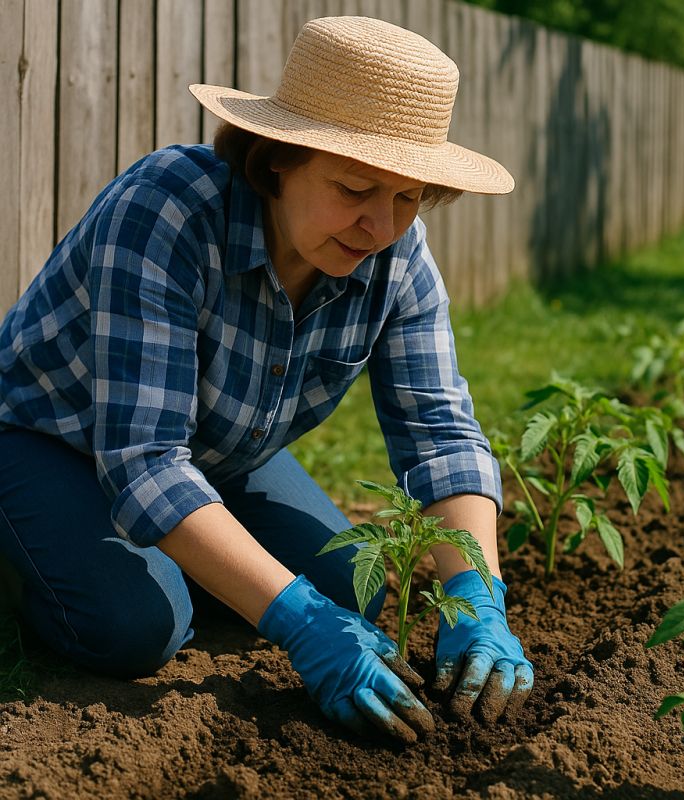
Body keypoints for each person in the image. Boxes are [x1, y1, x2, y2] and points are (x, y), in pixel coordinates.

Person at [0, 15, 533, 742]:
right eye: (355, 187)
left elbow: (439, 432)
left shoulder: (395, 254)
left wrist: (476, 601)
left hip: (213, 454)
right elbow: (144, 461)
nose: (381, 224)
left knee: (354, 586)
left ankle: (183, 560)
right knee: (135, 626)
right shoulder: (168, 211)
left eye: (407, 198)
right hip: (41, 437)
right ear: (278, 156)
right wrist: (298, 621)